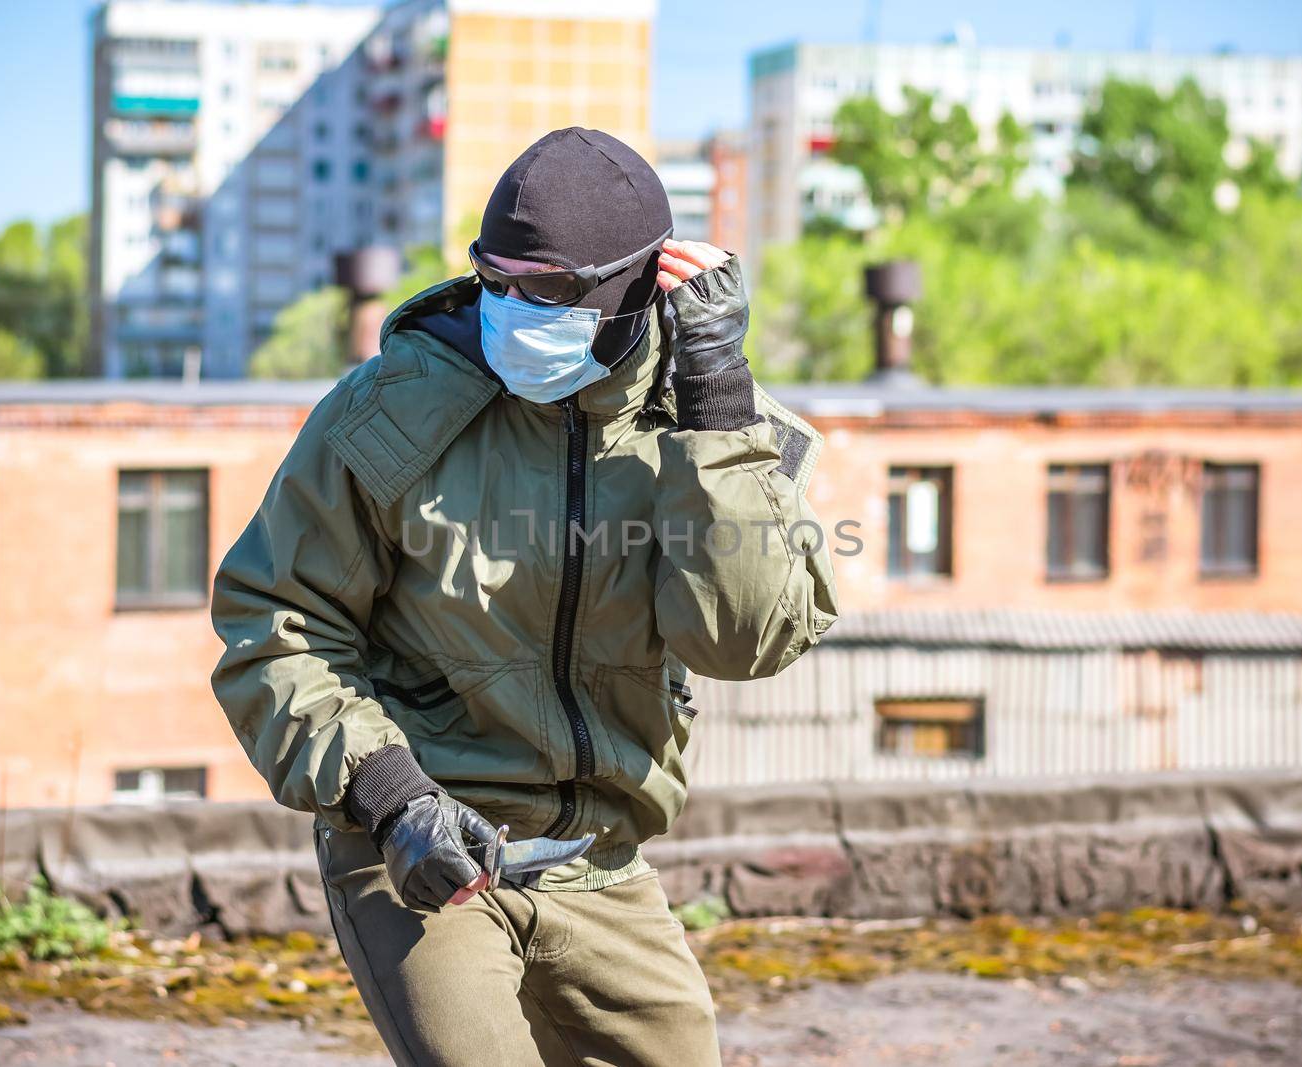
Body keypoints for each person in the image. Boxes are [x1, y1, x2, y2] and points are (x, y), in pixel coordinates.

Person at [211, 127, 838, 1067]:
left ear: (638, 289)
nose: (509, 310)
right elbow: (276, 626)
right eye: (492, 280)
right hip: (422, 845)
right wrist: (390, 795)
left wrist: (715, 407)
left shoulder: (721, 425)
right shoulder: (388, 413)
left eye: (545, 291)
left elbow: (741, 641)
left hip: (600, 862)